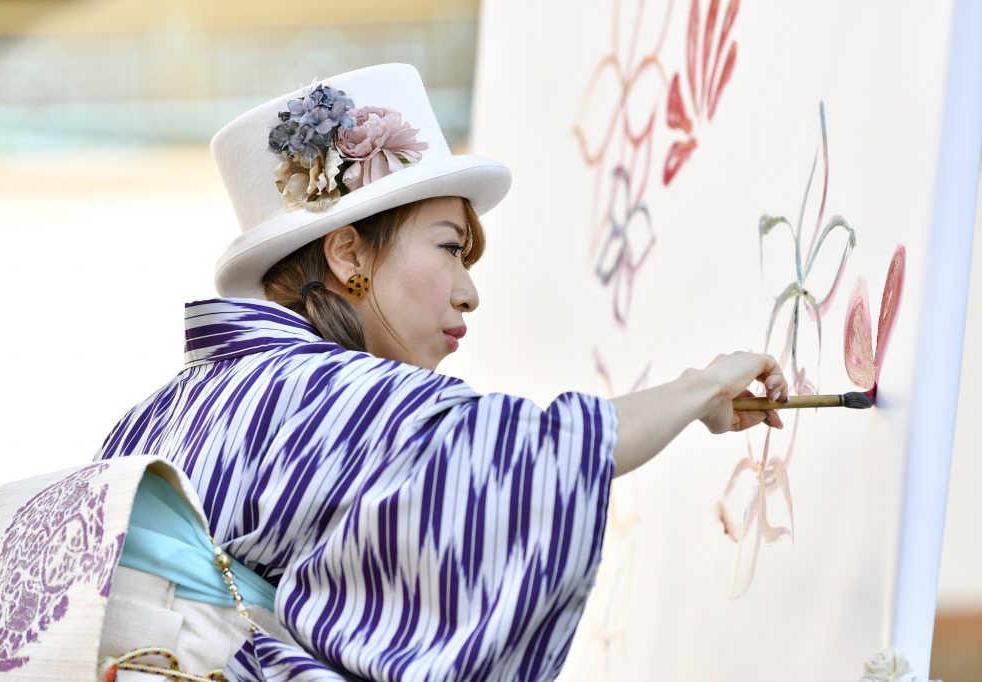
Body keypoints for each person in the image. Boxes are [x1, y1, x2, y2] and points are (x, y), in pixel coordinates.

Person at [89, 63, 788, 681]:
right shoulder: (329, 393)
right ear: (348, 255)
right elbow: (525, 452)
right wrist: (699, 389)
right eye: (451, 248)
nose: (468, 291)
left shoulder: (151, 414)